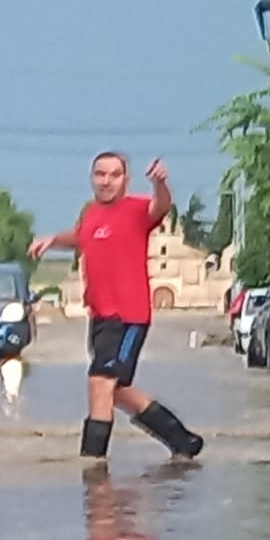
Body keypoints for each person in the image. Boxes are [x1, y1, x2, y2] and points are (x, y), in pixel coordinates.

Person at [31, 153, 204, 460]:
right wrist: (53, 240)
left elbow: (160, 207)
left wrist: (161, 183)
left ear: (126, 179)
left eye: (114, 175)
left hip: (128, 316)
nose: (106, 181)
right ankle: (182, 441)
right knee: (117, 391)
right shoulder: (92, 213)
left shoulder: (137, 209)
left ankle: (92, 467)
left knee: (99, 384)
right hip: (99, 317)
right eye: (100, 174)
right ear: (92, 178)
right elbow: (82, 236)